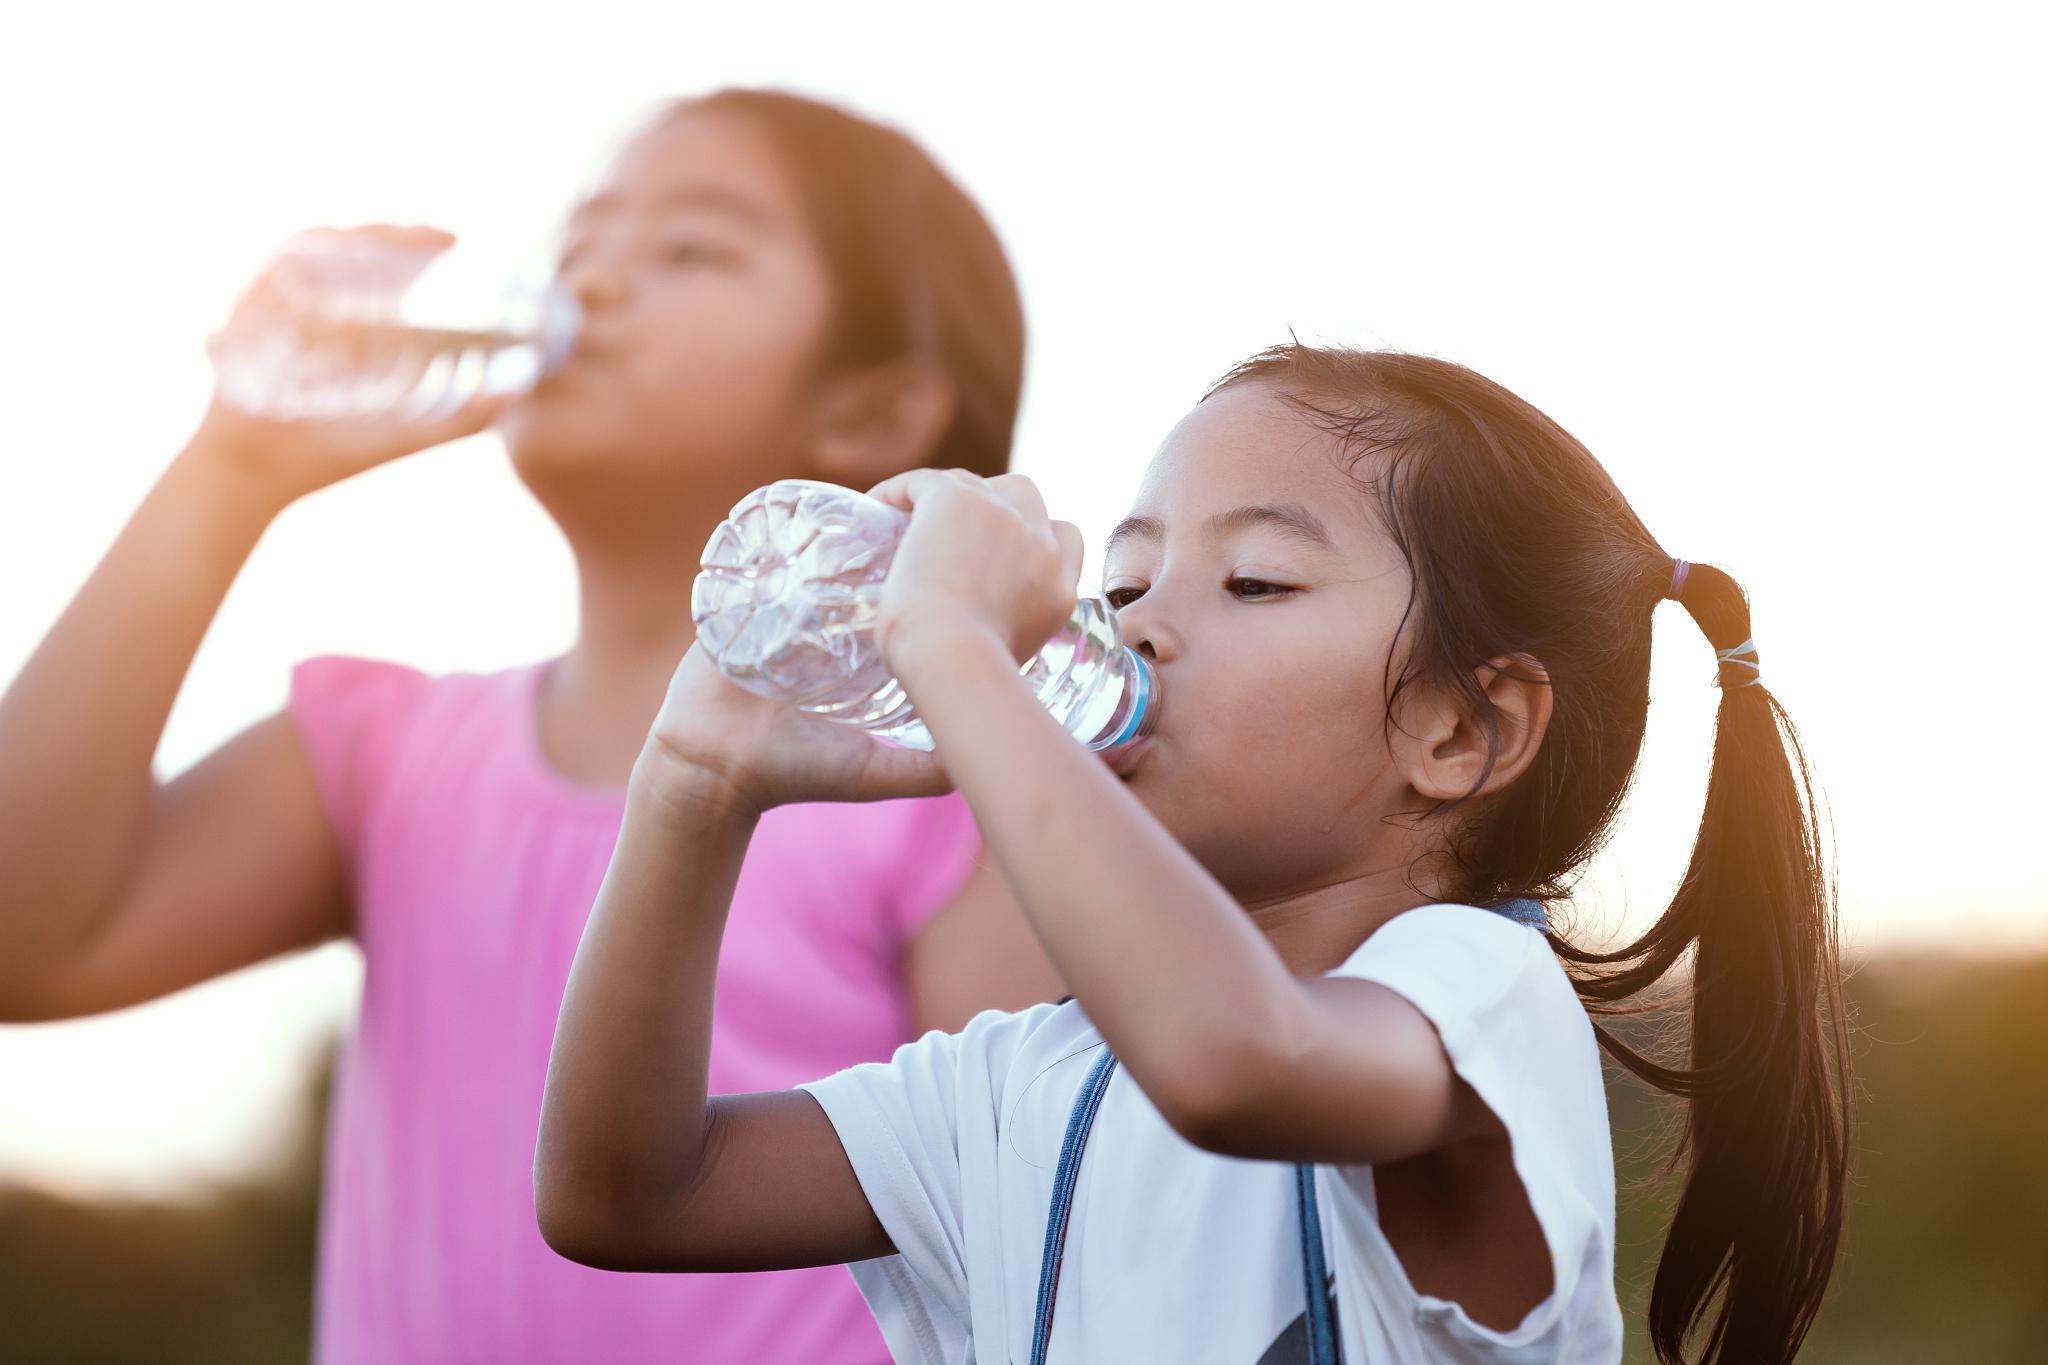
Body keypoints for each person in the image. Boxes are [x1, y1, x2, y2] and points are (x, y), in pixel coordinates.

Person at [0, 89, 1061, 1363]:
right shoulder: (385, 754)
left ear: (874, 415)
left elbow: (1023, 1232)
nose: (594, 285)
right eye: (580, 244)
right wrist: (231, 472)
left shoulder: (941, 779)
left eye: (692, 249)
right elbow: (31, 938)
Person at [536, 344, 1853, 1364]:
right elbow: (632, 1194)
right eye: (1122, 587)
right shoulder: (1027, 1078)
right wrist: (690, 786)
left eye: (1256, 582)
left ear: (1461, 729)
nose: (1138, 631)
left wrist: (946, 643)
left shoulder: (1477, 1001)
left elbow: (1232, 1062)